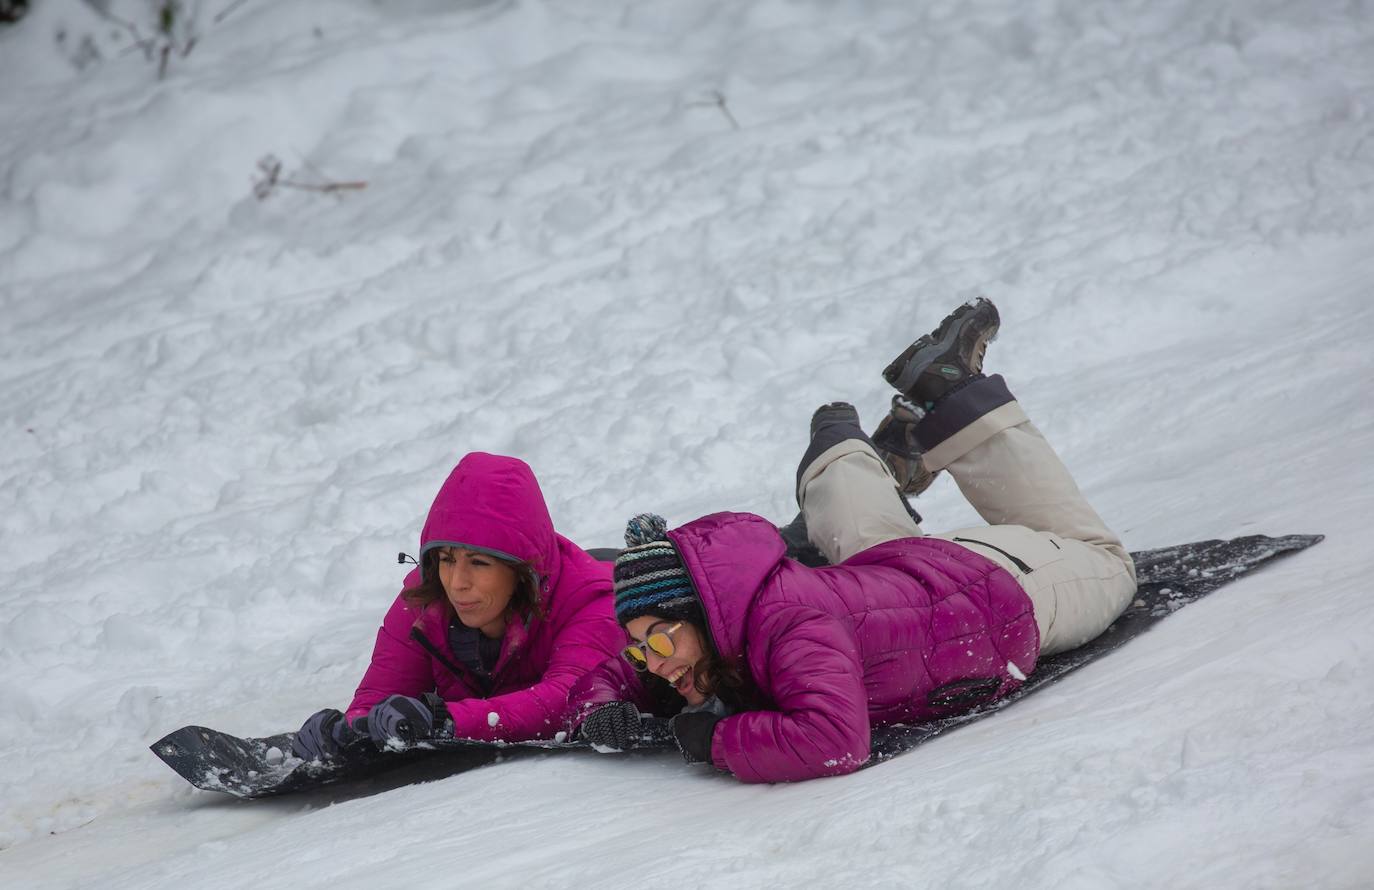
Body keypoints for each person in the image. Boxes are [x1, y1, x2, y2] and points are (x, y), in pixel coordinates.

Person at [571, 298, 1138, 783]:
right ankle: (836, 456)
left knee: (1104, 560)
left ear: (702, 614)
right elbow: (633, 667)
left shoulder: (790, 630)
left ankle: (962, 403)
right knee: (870, 562)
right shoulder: (736, 614)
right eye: (643, 647)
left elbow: (835, 740)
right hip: (897, 574)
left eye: (660, 642)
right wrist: (604, 704)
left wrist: (715, 739)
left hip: (998, 589)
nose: (655, 662)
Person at [291, 452, 626, 761]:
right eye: (446, 559)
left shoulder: (594, 601)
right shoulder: (424, 599)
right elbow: (380, 694)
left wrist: (445, 721)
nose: (456, 583)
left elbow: (570, 696)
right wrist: (347, 734)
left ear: (522, 570)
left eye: (479, 563)